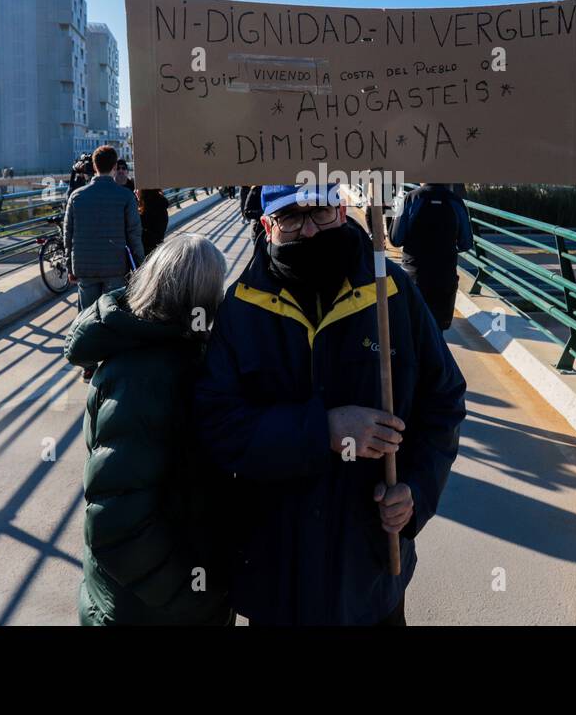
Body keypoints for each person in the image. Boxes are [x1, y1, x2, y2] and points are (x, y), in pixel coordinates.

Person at [194, 182, 467, 625]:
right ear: (267, 226)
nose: (310, 231)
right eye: (290, 219)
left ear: (343, 210)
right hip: (277, 577)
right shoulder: (240, 309)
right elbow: (217, 425)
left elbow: (445, 399)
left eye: (321, 212)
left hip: (372, 573)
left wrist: (417, 491)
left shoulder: (391, 292)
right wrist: (323, 430)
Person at [65, 232, 234, 626]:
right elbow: (116, 521)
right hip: (148, 611)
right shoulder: (150, 378)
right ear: (202, 300)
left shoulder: (143, 352)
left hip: (131, 599)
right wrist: (187, 597)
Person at [64, 145, 146, 379]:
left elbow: (67, 234)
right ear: (113, 166)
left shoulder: (76, 196)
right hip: (115, 267)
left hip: (85, 268)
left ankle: (88, 364)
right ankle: (113, 361)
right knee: (114, 314)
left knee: (86, 314)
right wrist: (139, 267)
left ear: (94, 166)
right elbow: (134, 234)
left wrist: (71, 267)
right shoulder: (125, 196)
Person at [389, 183, 473, 331]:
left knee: (413, 329)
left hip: (414, 277)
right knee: (437, 331)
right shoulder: (456, 201)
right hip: (444, 278)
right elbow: (466, 243)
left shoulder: (410, 199)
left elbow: (395, 239)